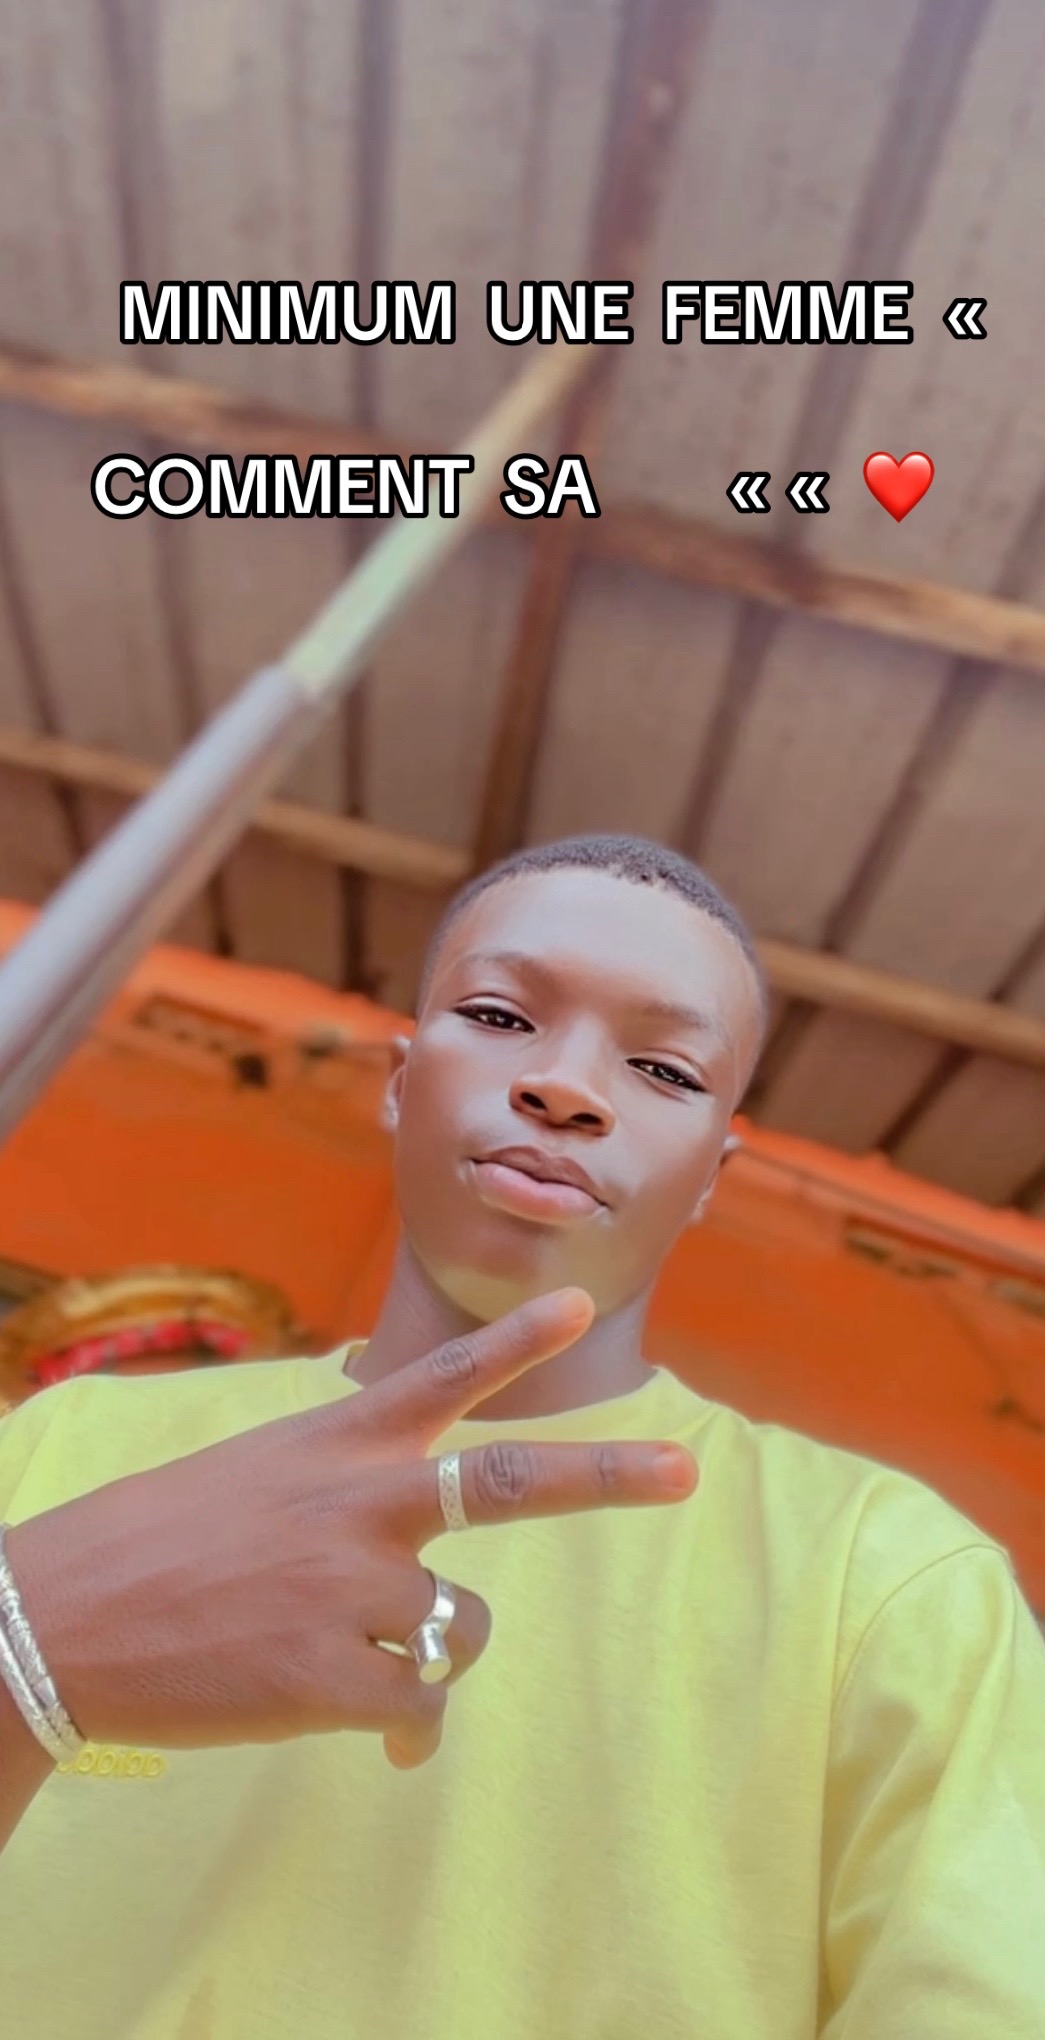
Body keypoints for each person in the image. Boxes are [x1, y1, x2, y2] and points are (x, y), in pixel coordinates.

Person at [0, 832, 1042, 2039]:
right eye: (499, 1016)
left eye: (663, 1069)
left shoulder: (887, 1577)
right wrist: (30, 1651)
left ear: (712, 1175)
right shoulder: (64, 1443)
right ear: (400, 1083)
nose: (565, 1087)